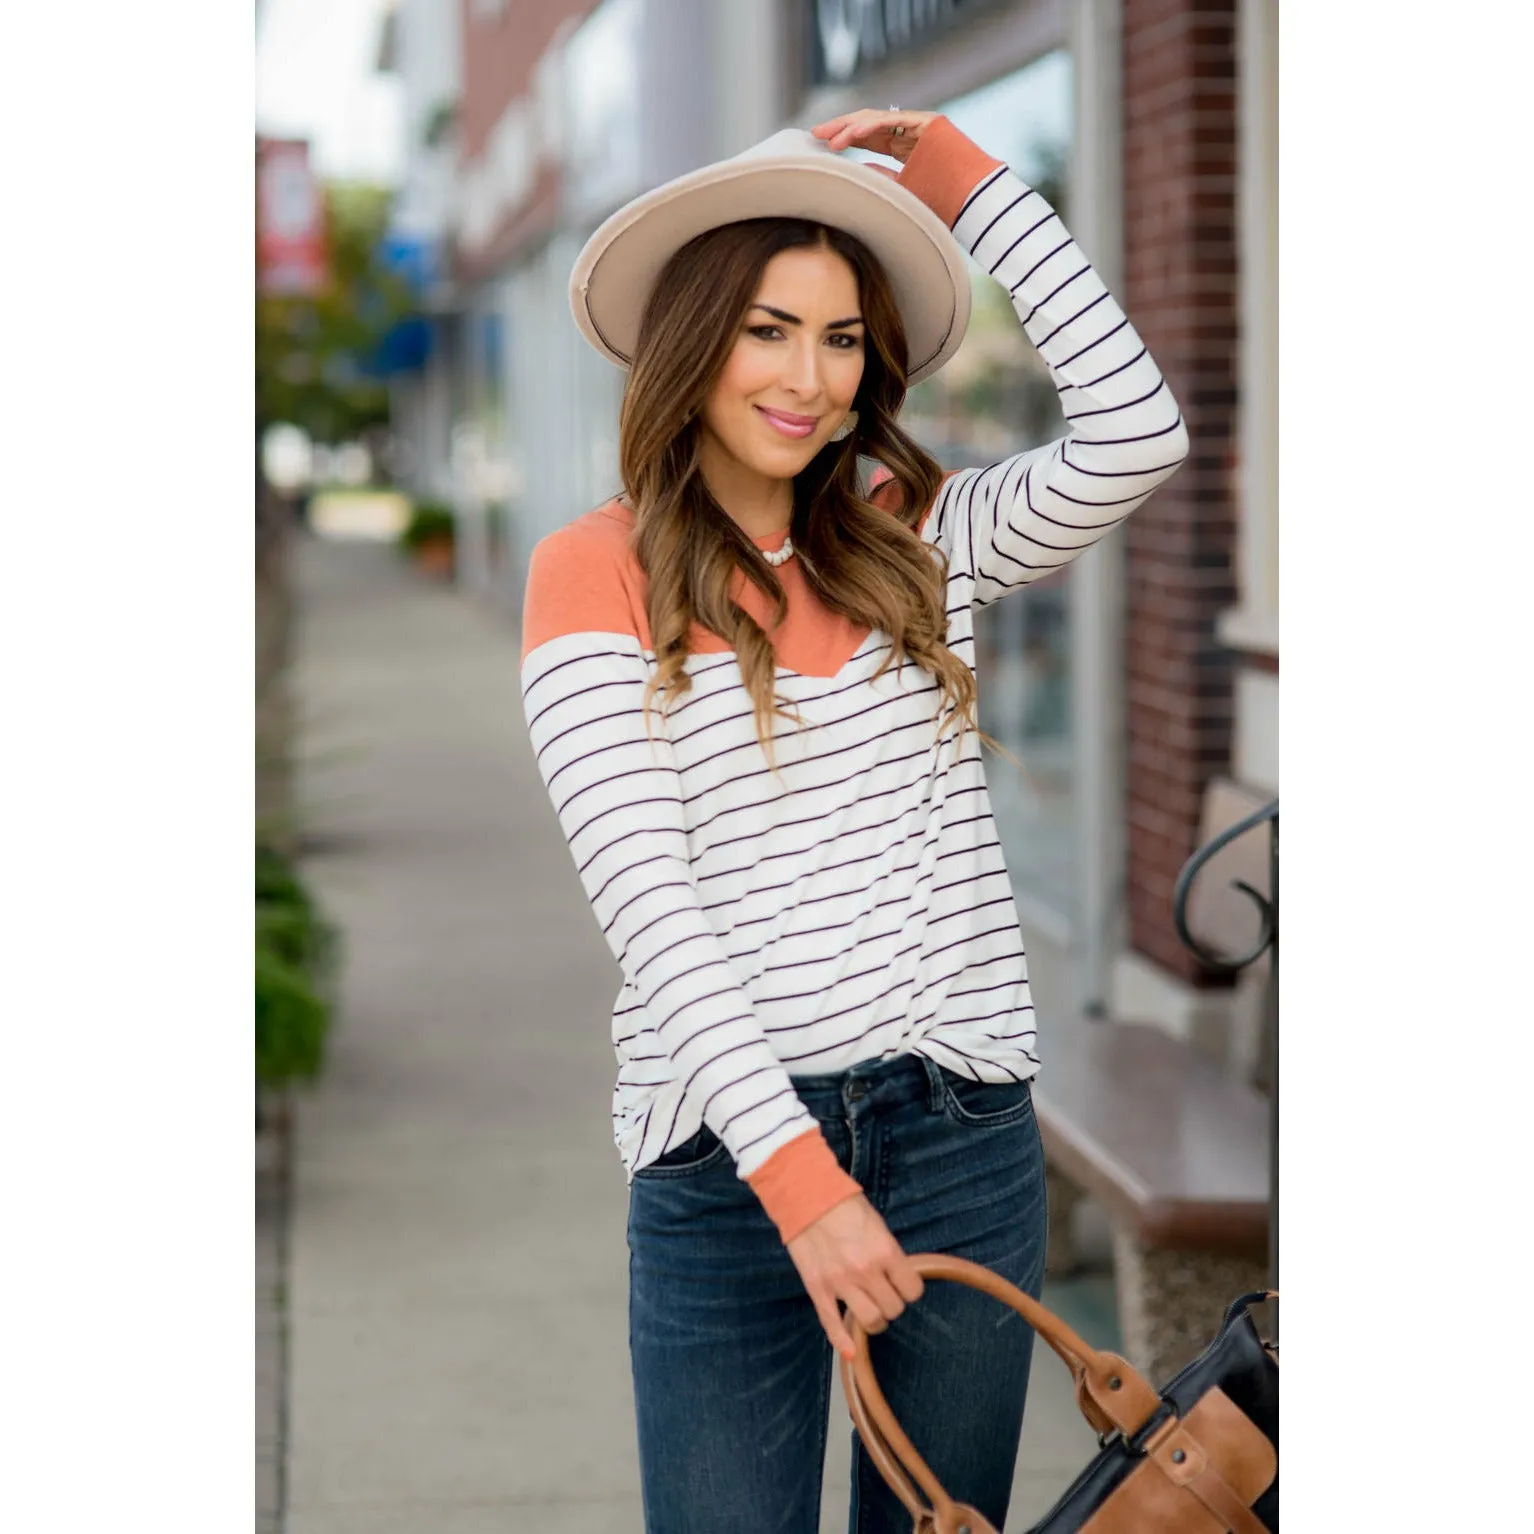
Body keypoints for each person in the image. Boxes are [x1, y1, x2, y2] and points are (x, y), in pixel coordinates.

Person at [520, 107, 1187, 1534]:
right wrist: (803, 1182)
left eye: (841, 340)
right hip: (728, 1159)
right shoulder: (593, 574)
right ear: (692, 341)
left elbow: (1138, 432)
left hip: (958, 1127)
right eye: (768, 329)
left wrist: (956, 175)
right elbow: (654, 912)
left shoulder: (919, 543)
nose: (807, 378)